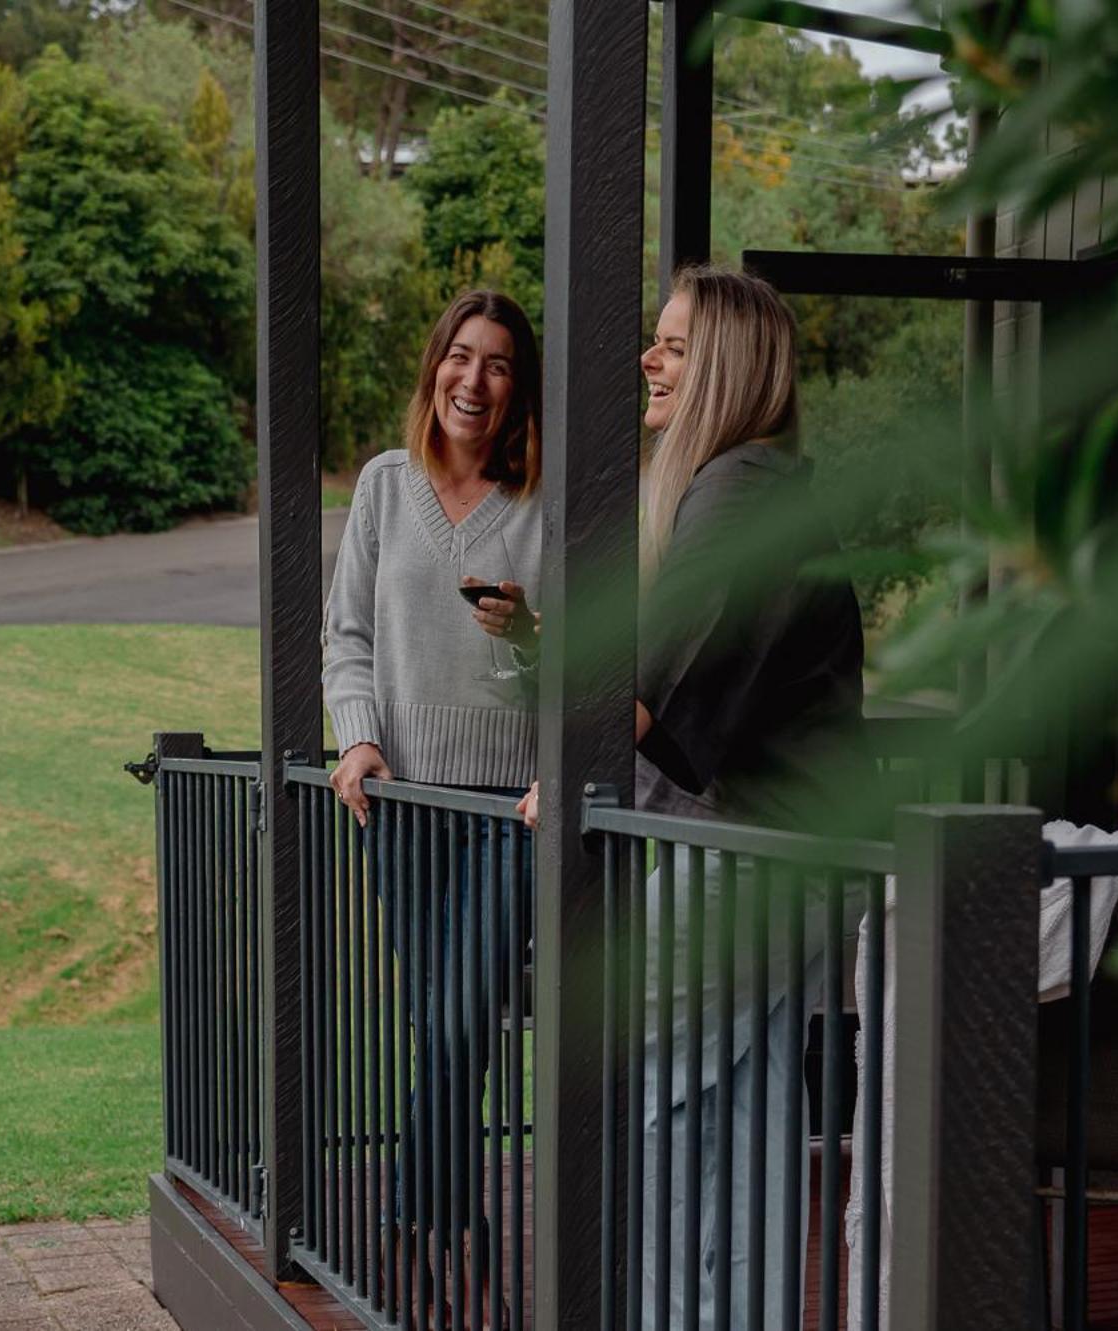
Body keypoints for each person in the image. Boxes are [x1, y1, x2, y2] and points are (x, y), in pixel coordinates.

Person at [493, 265, 875, 1330]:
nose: (649, 360)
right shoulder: (756, 486)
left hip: (759, 858)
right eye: (653, 340)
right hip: (787, 854)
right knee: (739, 1108)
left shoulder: (740, 492)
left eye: (671, 343)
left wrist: (560, 779)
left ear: (727, 364)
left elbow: (644, 689)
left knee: (633, 1073)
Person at [321, 288, 543, 1312]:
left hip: (507, 809)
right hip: (402, 801)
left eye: (497, 363)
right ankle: (453, 1218)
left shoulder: (546, 501)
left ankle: (413, 1212)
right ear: (433, 367)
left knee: (460, 1020)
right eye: (460, 356)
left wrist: (529, 635)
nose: (474, 379)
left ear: (517, 386)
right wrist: (357, 736)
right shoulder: (381, 485)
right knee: (434, 1021)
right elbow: (348, 634)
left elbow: (587, 661)